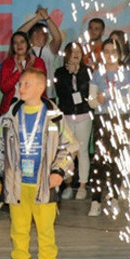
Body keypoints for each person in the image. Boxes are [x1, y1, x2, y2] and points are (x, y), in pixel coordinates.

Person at [0, 68, 78, 259]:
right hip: (17, 185)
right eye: (20, 84)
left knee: (45, 230)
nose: (21, 88)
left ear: (41, 88)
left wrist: (59, 171)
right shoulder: (10, 116)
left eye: (27, 84)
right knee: (18, 231)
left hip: (43, 186)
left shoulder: (54, 117)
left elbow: (70, 147)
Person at [88, 39, 130, 216]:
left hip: (121, 119)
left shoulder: (127, 74)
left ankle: (114, 196)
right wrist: (98, 100)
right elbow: (91, 101)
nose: (110, 55)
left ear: (120, 54)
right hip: (102, 119)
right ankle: (95, 199)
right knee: (99, 160)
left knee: (118, 159)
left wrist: (111, 95)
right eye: (106, 51)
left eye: (113, 51)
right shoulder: (97, 73)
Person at [53, 42, 94, 201]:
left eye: (78, 51)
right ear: (67, 54)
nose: (75, 55)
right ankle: (68, 185)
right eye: (72, 52)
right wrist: (70, 76)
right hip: (67, 116)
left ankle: (82, 186)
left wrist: (77, 73)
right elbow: (63, 96)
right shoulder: (60, 73)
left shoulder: (87, 72)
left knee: (82, 151)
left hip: (84, 116)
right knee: (68, 152)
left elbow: (85, 95)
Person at [0, 31, 47, 116]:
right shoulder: (7, 63)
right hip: (10, 108)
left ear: (27, 44)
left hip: (34, 107)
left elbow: (41, 85)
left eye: (22, 42)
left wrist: (27, 71)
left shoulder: (38, 62)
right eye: (15, 43)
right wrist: (18, 72)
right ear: (12, 46)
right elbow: (4, 88)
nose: (19, 45)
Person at [18, 7, 64, 91]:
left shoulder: (49, 50)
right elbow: (18, 35)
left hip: (47, 95)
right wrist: (37, 18)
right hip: (27, 94)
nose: (47, 34)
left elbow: (58, 39)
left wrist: (46, 17)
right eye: (44, 31)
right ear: (35, 33)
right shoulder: (24, 49)